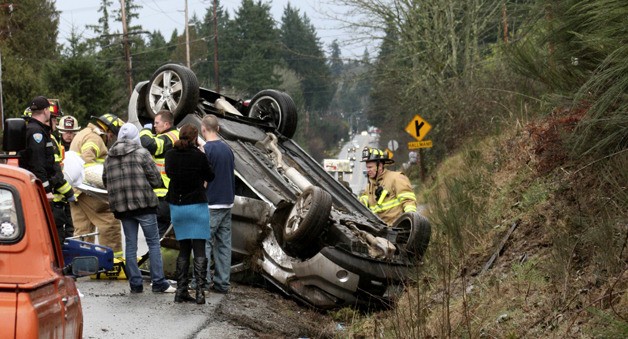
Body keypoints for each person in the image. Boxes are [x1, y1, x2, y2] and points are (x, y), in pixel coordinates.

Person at [102, 123, 175, 294]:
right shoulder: (142, 153)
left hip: (122, 208)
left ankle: (135, 284)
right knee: (153, 243)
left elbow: (106, 181)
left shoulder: (109, 157)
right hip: (144, 206)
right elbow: (156, 179)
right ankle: (159, 283)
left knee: (130, 245)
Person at [165, 124, 215, 304]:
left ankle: (181, 291)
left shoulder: (170, 155)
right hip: (197, 205)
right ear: (195, 138)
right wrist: (202, 154)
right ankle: (201, 292)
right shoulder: (199, 156)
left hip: (178, 207)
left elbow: (169, 173)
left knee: (184, 248)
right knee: (199, 248)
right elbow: (210, 177)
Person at [19, 96, 75, 244]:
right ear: (45, 110)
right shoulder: (36, 133)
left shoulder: (39, 131)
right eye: (53, 117)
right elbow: (38, 165)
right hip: (45, 192)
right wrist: (46, 191)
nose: (54, 120)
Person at [70, 113, 124, 252]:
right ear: (106, 130)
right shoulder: (94, 138)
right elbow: (88, 163)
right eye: (111, 134)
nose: (111, 138)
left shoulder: (84, 133)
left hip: (75, 190)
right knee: (109, 223)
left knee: (83, 229)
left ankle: (82, 262)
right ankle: (113, 263)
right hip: (87, 189)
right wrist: (106, 184)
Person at [200, 115, 235, 294]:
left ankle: (203, 282)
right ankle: (222, 283)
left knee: (204, 243)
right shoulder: (228, 150)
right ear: (218, 129)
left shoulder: (205, 150)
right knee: (223, 244)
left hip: (211, 203)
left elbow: (204, 179)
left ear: (203, 129)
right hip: (227, 202)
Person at [139, 110, 179, 237]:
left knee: (159, 234)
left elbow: (150, 145)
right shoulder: (167, 136)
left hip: (165, 192)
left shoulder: (171, 137)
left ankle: (156, 256)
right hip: (165, 193)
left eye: (157, 123)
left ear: (166, 124)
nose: (154, 125)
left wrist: (145, 131)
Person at [358, 147, 417, 226]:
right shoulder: (370, 186)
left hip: (397, 229)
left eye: (370, 167)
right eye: (367, 167)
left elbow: (408, 201)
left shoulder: (396, 178)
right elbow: (363, 203)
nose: (368, 170)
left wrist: (410, 222)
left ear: (380, 166)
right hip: (379, 230)